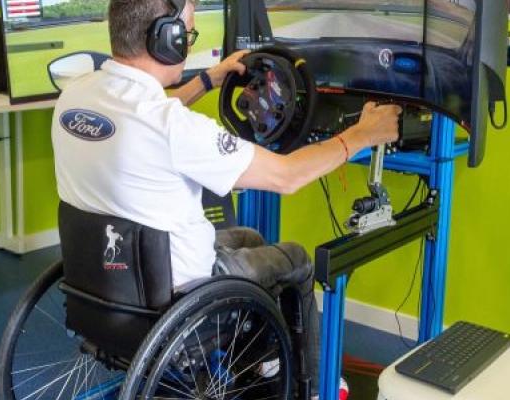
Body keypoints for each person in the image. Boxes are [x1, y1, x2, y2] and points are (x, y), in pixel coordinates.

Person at [51, 0, 402, 397]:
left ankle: (257, 361)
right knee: (297, 261)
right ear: (168, 39)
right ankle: (317, 387)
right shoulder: (176, 129)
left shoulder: (77, 97)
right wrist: (360, 136)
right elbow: (287, 176)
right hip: (181, 297)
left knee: (249, 237)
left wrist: (207, 81)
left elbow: (148, 114)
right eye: (188, 34)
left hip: (104, 284)